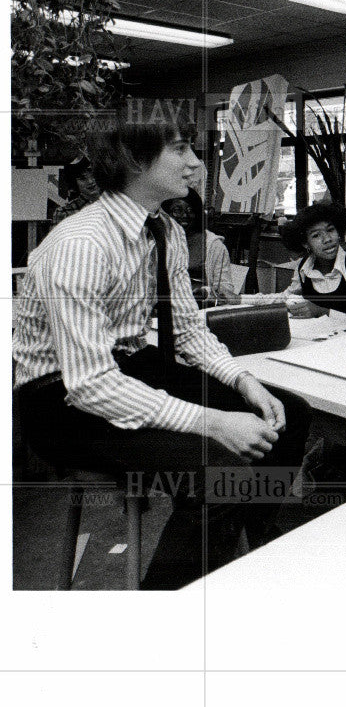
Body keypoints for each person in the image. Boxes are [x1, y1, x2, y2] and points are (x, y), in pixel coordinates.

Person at [12, 106, 311, 590]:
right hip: (61, 401)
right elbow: (89, 384)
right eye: (180, 149)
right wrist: (215, 421)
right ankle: (166, 616)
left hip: (128, 366)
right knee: (221, 470)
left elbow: (189, 331)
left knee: (289, 415)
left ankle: (251, 552)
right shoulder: (81, 244)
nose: (196, 162)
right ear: (133, 160)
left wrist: (244, 381)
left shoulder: (164, 230)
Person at [243, 201, 346, 320]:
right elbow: (285, 298)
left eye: (330, 230)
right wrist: (239, 299)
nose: (327, 239)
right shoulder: (304, 269)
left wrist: (323, 311)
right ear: (306, 244)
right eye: (316, 235)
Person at [163, 187, 239, 306]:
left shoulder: (214, 246)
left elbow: (225, 290)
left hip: (201, 308)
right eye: (177, 210)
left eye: (190, 210)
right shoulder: (159, 240)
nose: (184, 215)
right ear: (167, 214)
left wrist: (205, 293)